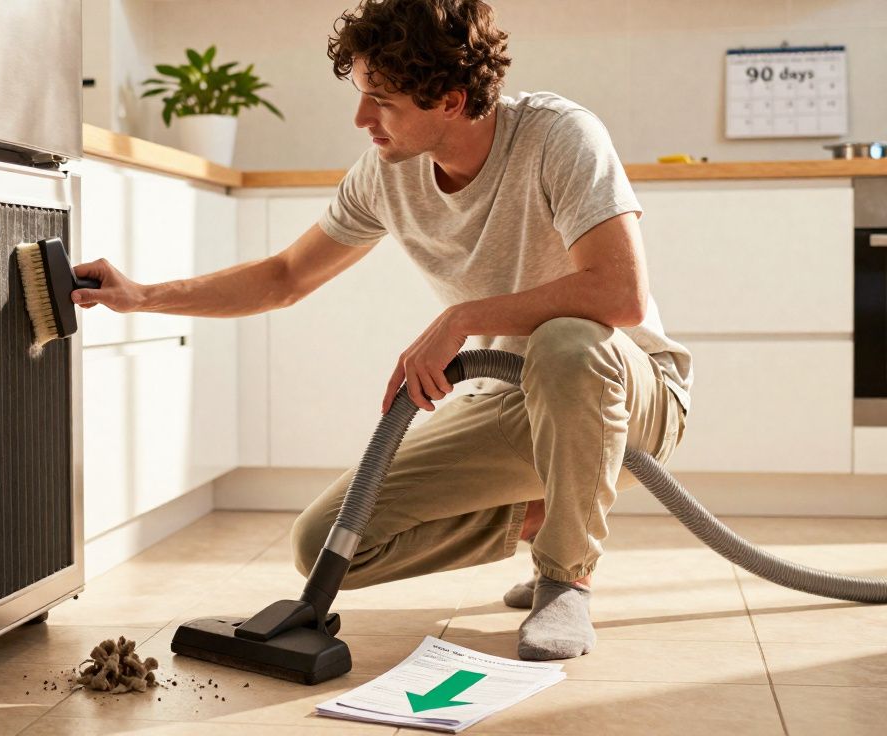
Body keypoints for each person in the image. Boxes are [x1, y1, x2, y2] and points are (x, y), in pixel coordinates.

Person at [70, 0, 692, 661]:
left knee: (566, 341)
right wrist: (142, 296)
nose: (362, 118)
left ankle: (566, 575)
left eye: (382, 101)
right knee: (325, 543)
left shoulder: (558, 136)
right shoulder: (387, 174)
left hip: (628, 398)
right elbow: (285, 275)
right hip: (514, 405)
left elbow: (620, 293)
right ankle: (558, 511)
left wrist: (461, 318)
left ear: (450, 101)